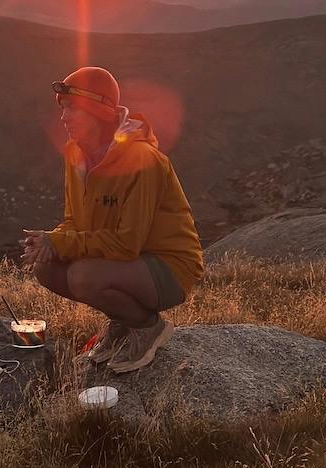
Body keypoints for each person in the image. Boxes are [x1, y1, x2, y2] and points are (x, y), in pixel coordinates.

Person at [21, 66, 204, 374]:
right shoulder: (76, 155)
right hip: (129, 264)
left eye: (73, 110)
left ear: (98, 112)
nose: (64, 118)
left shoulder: (141, 160)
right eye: (63, 110)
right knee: (47, 268)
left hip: (170, 267)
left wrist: (62, 242)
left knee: (83, 276)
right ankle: (123, 324)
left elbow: (126, 243)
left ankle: (147, 328)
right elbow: (74, 222)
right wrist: (49, 243)